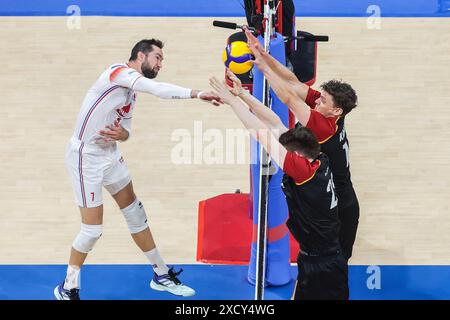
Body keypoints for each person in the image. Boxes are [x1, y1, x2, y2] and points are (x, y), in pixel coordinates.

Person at [54, 39, 222, 300]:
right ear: (140, 55)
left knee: (135, 213)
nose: (160, 64)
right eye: (158, 58)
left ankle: (161, 274)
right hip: (85, 158)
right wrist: (196, 93)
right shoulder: (117, 73)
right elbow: (157, 89)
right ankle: (67, 287)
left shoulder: (130, 94)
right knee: (92, 231)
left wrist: (122, 135)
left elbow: (127, 131)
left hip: (110, 155)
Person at [209, 72, 349, 299]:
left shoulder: (303, 172)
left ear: (296, 155)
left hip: (323, 266)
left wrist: (231, 100)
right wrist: (243, 94)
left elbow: (261, 133)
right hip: (317, 258)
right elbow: (274, 123)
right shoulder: (317, 158)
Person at [243, 27, 360, 261]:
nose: (318, 100)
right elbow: (293, 82)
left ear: (336, 110)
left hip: (341, 207)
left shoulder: (324, 127)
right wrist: (263, 54)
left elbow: (288, 98)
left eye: (323, 99)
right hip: (334, 197)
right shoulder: (328, 109)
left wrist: (264, 68)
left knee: (335, 263)